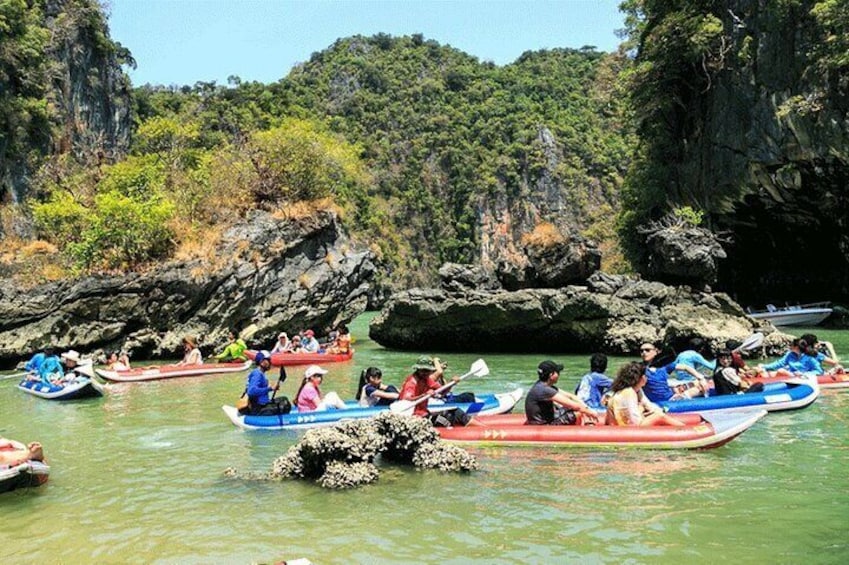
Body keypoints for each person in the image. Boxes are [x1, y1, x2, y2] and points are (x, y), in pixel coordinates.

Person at [398, 356, 476, 427]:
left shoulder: (427, 380)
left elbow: (442, 392)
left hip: (425, 414)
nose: (426, 373)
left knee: (456, 412)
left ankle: (482, 428)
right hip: (415, 418)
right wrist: (424, 395)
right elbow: (406, 400)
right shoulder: (411, 382)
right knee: (446, 418)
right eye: (423, 370)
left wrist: (452, 383)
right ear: (418, 369)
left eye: (428, 370)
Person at [605, 362, 685, 426]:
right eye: (646, 376)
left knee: (657, 413)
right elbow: (634, 422)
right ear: (642, 378)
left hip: (625, 425)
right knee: (659, 417)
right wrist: (642, 409)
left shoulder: (636, 390)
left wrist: (651, 410)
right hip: (628, 431)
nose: (647, 378)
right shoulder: (628, 393)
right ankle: (686, 430)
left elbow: (648, 405)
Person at [525, 360, 599, 425]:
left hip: (546, 419)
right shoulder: (545, 390)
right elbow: (575, 406)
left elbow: (571, 397)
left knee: (575, 409)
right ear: (551, 375)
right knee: (578, 414)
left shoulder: (542, 386)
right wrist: (591, 413)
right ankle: (578, 436)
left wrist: (587, 408)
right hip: (543, 425)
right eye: (557, 372)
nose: (559, 374)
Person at [640, 342, 708, 402]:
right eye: (641, 351)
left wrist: (700, 377)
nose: (644, 353)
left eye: (647, 350)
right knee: (698, 389)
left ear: (656, 351)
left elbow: (685, 367)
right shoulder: (639, 368)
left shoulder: (664, 366)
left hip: (670, 395)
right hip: (670, 400)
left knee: (697, 383)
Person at [241, 351, 291, 416]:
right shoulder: (257, 374)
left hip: (263, 405)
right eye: (268, 360)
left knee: (284, 398)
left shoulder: (260, 373)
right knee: (285, 404)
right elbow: (251, 391)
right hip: (258, 409)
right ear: (262, 361)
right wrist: (269, 388)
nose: (270, 362)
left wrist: (271, 388)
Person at [757, 337, 822, 377]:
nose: (789, 346)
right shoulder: (790, 355)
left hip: (801, 376)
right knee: (762, 372)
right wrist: (764, 366)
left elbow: (819, 371)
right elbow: (779, 363)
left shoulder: (809, 358)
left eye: (791, 345)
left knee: (781, 371)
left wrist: (804, 374)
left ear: (796, 347)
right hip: (790, 374)